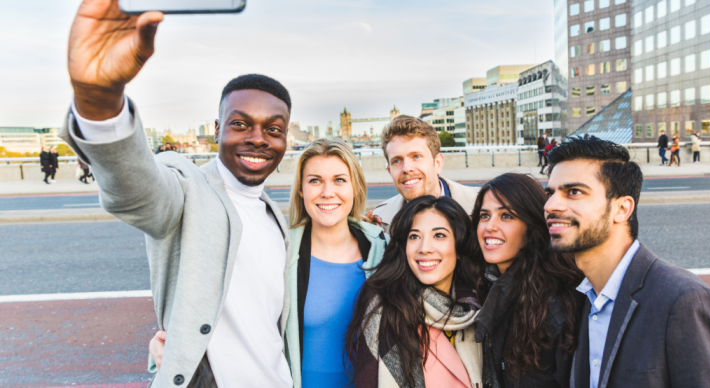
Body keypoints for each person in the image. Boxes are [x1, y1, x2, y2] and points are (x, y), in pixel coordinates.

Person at [63, 2, 294, 386]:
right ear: (217, 129)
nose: (258, 138)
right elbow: (138, 194)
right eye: (241, 124)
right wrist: (99, 99)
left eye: (273, 129)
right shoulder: (186, 187)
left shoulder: (275, 217)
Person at [150, 138, 388, 387]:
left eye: (339, 180)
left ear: (355, 187)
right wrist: (169, 345)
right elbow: (222, 304)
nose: (327, 192)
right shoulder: (280, 248)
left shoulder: (383, 249)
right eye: (315, 180)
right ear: (301, 190)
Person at [544, 137, 710, 387]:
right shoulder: (585, 299)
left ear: (622, 209)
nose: (551, 205)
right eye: (551, 193)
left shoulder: (685, 302)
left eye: (574, 192)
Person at [346, 195, 487, 388]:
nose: (424, 248)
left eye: (439, 235)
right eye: (414, 236)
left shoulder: (480, 307)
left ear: (459, 246)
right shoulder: (384, 310)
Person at [472, 173, 583, 387]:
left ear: (532, 226)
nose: (489, 227)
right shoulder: (485, 285)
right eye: (484, 216)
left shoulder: (556, 306)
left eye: (506, 216)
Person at [366, 115, 479, 232]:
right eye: (397, 161)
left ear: (438, 163)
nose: (406, 168)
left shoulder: (482, 206)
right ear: (390, 171)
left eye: (416, 156)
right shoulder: (378, 222)